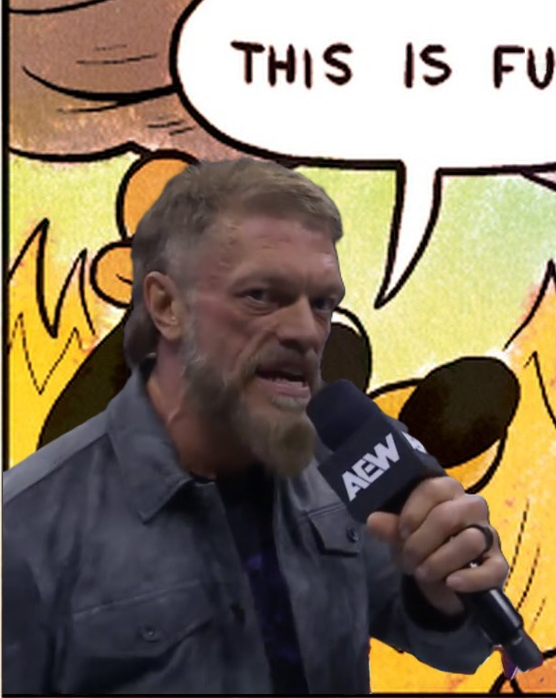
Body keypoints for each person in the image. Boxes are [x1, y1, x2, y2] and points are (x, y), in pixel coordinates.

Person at [3, 159, 508, 694]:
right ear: (166, 305)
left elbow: (456, 646)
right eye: (261, 295)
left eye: (322, 303)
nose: (306, 332)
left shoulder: (341, 463)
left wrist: (446, 594)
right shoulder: (25, 527)